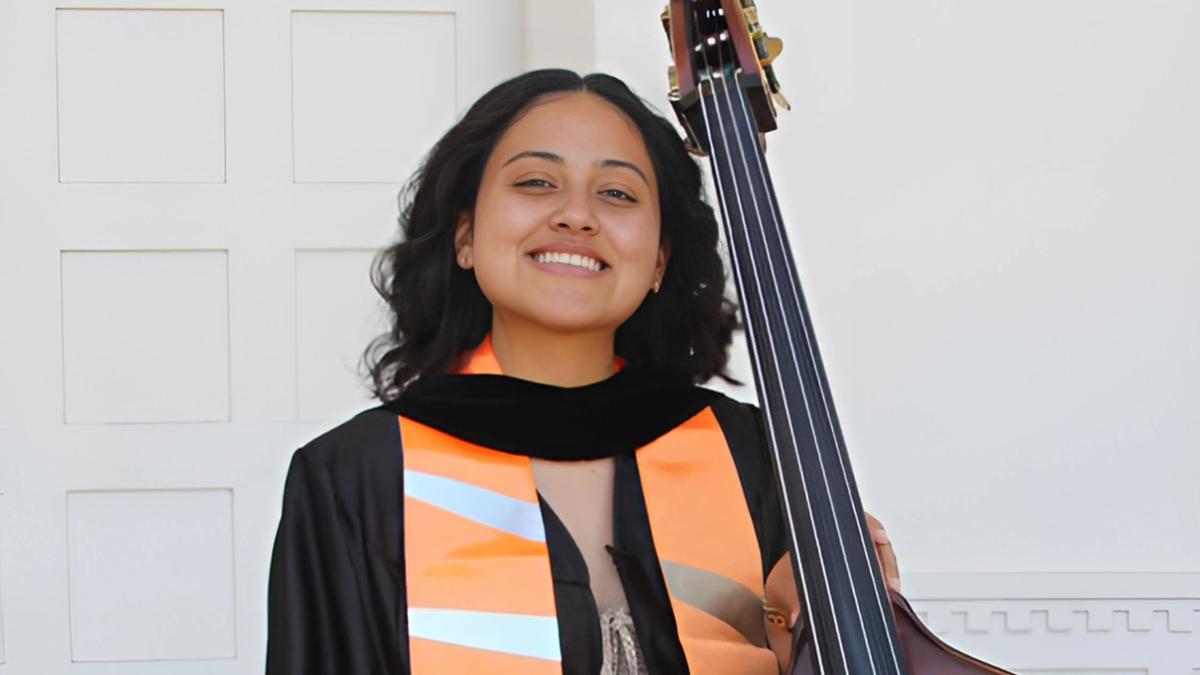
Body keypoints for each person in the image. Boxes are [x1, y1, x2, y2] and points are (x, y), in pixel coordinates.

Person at [265, 69, 900, 675]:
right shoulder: (358, 479)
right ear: (465, 235)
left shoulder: (757, 459)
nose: (576, 215)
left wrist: (825, 635)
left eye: (617, 193)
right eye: (536, 183)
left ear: (659, 259)